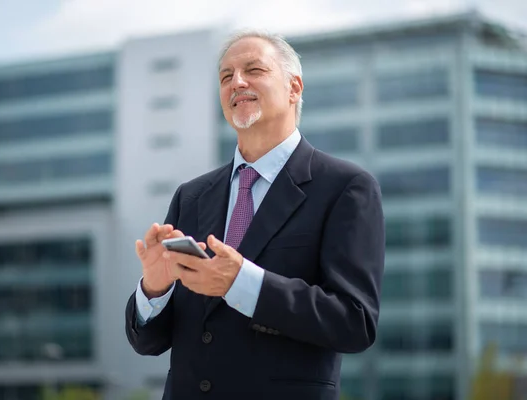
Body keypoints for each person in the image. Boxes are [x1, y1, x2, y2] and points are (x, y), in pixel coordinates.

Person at [125, 30, 385, 400]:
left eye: (253, 70)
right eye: (226, 77)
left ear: (294, 88)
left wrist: (242, 283)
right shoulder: (192, 195)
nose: (237, 82)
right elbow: (148, 342)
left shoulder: (346, 187)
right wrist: (155, 286)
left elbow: (354, 321)